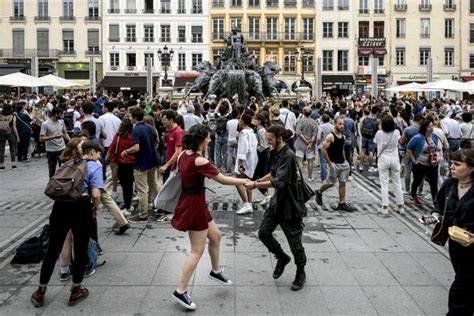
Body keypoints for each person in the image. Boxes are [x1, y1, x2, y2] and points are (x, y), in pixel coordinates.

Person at [171, 124, 249, 310]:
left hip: (194, 201)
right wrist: (245, 181)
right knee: (196, 251)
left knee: (216, 236)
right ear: (200, 139)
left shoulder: (183, 154)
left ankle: (215, 271)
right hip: (194, 205)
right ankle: (180, 291)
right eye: (207, 137)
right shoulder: (199, 160)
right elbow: (221, 179)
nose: (210, 140)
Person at [31, 140, 103, 308]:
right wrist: (96, 209)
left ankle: (40, 292)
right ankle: (76, 291)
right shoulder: (95, 166)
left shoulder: (68, 163)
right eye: (98, 153)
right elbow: (96, 193)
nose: (99, 157)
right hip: (81, 206)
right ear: (92, 151)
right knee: (80, 248)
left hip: (60, 206)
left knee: (53, 249)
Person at [245, 125, 308, 291]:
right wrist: (256, 181)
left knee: (295, 244)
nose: (268, 141)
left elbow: (279, 181)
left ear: (280, 138)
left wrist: (255, 184)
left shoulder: (288, 155)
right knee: (263, 233)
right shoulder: (276, 152)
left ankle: (300, 272)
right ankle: (281, 257)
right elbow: (273, 173)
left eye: (270, 138)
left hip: (290, 205)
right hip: (277, 202)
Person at [422, 149, 474, 315]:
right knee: (465, 281)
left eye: (457, 164)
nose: (452, 167)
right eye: (452, 163)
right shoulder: (450, 184)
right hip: (456, 243)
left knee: (459, 289)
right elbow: (438, 205)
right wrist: (434, 216)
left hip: (473, 245)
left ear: (471, 168)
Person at [123, 108, 159, 222]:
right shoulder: (149, 127)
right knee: (153, 184)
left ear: (134, 117)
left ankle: (143, 214)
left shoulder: (136, 130)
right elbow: (156, 140)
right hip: (152, 160)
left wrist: (126, 151)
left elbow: (136, 148)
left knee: (142, 189)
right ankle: (162, 206)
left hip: (141, 163)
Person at [314, 117, 353, 212]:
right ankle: (319, 192)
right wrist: (330, 163)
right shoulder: (330, 137)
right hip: (334, 164)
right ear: (335, 124)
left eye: (343, 124)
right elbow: (323, 150)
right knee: (330, 183)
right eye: (340, 124)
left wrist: (346, 161)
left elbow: (342, 149)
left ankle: (342, 203)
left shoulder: (343, 136)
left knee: (343, 183)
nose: (342, 126)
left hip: (343, 164)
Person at [373, 116, 405, 215]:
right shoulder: (396, 132)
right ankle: (400, 206)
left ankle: (385, 207)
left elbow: (375, 142)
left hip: (383, 159)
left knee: (384, 183)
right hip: (395, 158)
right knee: (397, 183)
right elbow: (399, 141)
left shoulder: (379, 133)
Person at [407, 119, 442, 206]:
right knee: (417, 181)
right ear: (424, 128)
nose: (432, 128)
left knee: (433, 184)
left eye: (432, 126)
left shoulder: (434, 136)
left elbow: (436, 148)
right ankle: (414, 196)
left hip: (432, 164)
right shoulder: (417, 138)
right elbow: (409, 148)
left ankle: (436, 203)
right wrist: (414, 160)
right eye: (429, 126)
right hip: (420, 165)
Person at [107, 117, 135, 217]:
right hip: (132, 163)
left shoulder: (118, 136)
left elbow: (111, 148)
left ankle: (127, 207)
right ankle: (129, 204)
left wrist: (107, 157)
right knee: (130, 185)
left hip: (122, 164)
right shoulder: (133, 136)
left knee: (125, 187)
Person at [235, 113, 259, 215]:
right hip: (252, 159)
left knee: (237, 181)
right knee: (248, 181)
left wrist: (240, 165)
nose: (239, 122)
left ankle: (246, 204)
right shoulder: (251, 132)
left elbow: (242, 150)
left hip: (244, 161)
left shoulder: (243, 133)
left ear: (243, 121)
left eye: (240, 120)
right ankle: (249, 203)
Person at [40, 107, 71, 177]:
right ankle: (52, 185)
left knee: (64, 168)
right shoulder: (45, 124)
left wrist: (71, 141)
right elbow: (41, 138)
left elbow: (64, 132)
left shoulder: (61, 121)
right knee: (52, 170)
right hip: (51, 151)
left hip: (62, 148)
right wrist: (53, 137)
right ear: (56, 114)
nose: (63, 115)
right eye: (61, 114)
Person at [159, 110, 184, 183]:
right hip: (169, 162)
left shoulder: (178, 132)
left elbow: (178, 151)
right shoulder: (168, 130)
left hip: (174, 166)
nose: (162, 121)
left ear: (171, 120)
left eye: (164, 120)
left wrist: (166, 165)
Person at [295, 106, 318, 182]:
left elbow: (298, 132)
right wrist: (310, 143)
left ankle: (300, 177)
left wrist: (305, 140)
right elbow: (315, 134)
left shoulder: (300, 121)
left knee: (300, 161)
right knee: (310, 161)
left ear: (303, 113)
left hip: (300, 143)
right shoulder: (314, 122)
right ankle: (310, 177)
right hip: (310, 143)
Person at [253, 112, 271, 206]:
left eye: (255, 119)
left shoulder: (261, 131)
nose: (254, 120)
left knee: (258, 176)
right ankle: (265, 195)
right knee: (260, 175)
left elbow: (263, 145)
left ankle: (266, 195)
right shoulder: (258, 129)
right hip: (261, 154)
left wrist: (253, 149)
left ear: (259, 121)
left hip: (263, 155)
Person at [358, 107, 379, 172]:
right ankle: (370, 166)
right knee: (371, 152)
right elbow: (380, 129)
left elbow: (361, 127)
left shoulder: (365, 118)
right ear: (377, 112)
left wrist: (362, 133)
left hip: (364, 136)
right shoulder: (377, 120)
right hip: (372, 137)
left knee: (363, 150)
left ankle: (361, 166)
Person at [0, 104, 19, 169]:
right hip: (10, 133)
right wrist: (17, 136)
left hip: (1, 134)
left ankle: (1, 164)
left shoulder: (0, 116)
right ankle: (13, 163)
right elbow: (14, 127)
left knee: (1, 149)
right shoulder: (13, 116)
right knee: (12, 149)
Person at [316, 114, 333, 183]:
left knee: (323, 161)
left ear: (322, 119)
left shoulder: (321, 126)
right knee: (331, 160)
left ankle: (323, 178)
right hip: (331, 145)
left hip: (323, 145)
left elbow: (318, 137)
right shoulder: (332, 127)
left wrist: (318, 144)